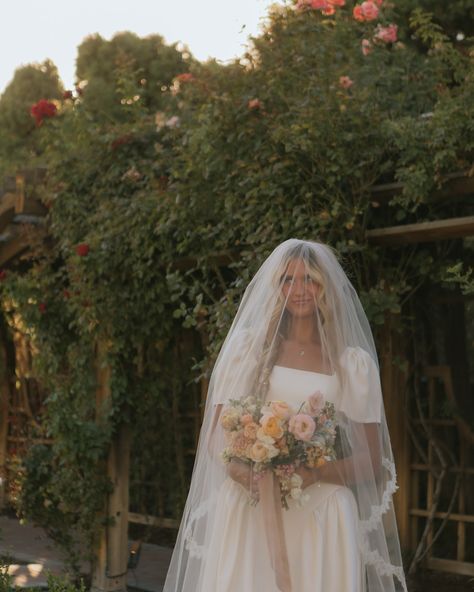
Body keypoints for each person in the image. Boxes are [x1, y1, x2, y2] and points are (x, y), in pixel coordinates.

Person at [163, 238, 407, 592]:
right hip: (251, 506)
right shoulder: (248, 350)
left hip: (321, 512)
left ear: (326, 286)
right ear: (275, 287)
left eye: (309, 279)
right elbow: (216, 435)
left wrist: (311, 474)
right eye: (288, 280)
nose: (299, 290)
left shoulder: (351, 364)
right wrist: (241, 470)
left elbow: (370, 460)